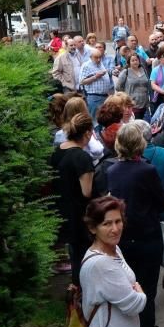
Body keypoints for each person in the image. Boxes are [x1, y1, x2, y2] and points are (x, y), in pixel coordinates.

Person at [106, 123, 164, 327]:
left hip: (123, 240)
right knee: (146, 292)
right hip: (146, 237)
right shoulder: (146, 170)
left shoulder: (111, 170)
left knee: (127, 289)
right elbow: (162, 202)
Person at [79, 196, 147, 327]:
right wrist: (140, 293)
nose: (115, 229)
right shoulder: (101, 264)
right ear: (93, 228)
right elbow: (134, 305)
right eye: (107, 224)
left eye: (118, 221)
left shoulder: (114, 249)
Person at [51, 113, 95, 285]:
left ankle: (75, 295)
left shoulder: (58, 151)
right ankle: (81, 296)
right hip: (79, 215)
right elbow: (87, 192)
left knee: (73, 253)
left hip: (62, 208)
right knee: (82, 258)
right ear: (87, 133)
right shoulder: (82, 157)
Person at [81, 46, 115, 116]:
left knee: (103, 119)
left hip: (104, 96)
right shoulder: (86, 65)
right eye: (96, 57)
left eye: (100, 57)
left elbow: (105, 74)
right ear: (90, 57)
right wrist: (95, 77)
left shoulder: (100, 63)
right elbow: (82, 82)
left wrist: (112, 72)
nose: (99, 59)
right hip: (94, 97)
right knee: (95, 120)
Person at [115, 54, 151, 121]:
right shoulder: (126, 72)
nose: (135, 62)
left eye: (136, 60)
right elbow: (118, 87)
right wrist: (126, 96)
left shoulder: (143, 70)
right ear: (129, 62)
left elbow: (148, 84)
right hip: (133, 105)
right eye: (133, 60)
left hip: (145, 104)